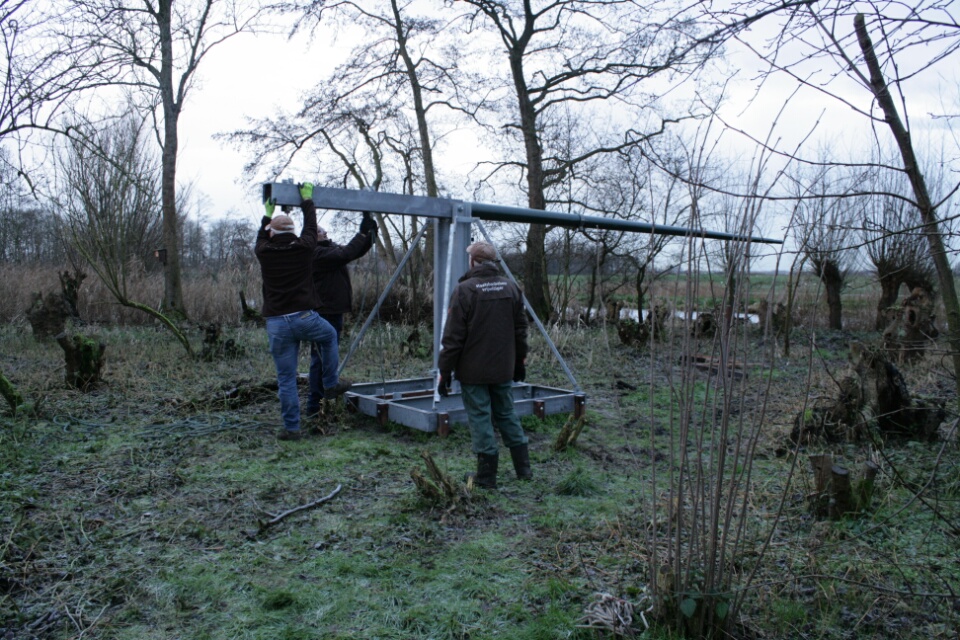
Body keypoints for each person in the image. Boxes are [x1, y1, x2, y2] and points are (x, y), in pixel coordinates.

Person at [255, 182, 351, 441]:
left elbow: (261, 237)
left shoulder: (263, 251)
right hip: (303, 318)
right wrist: (307, 200)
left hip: (277, 322)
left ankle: (292, 428)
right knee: (329, 336)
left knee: (286, 378)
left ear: (271, 233)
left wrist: (267, 214)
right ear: (293, 232)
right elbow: (311, 226)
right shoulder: (304, 248)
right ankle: (330, 384)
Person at [437, 241, 530, 489]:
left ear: (473, 262)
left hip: (473, 370)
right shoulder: (511, 287)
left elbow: (453, 337)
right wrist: (520, 361)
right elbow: (521, 329)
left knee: (480, 417)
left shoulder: (464, 290)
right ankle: (524, 469)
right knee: (506, 412)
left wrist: (444, 371)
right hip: (503, 367)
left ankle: (487, 476)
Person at [305, 213, 377, 417]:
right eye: (320, 231)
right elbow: (345, 254)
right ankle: (314, 407)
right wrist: (361, 233)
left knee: (325, 358)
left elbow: (352, 252)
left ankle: (320, 406)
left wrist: (370, 235)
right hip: (324, 312)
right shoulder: (316, 254)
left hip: (332, 311)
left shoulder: (328, 249)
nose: (325, 232)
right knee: (320, 360)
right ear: (312, 236)